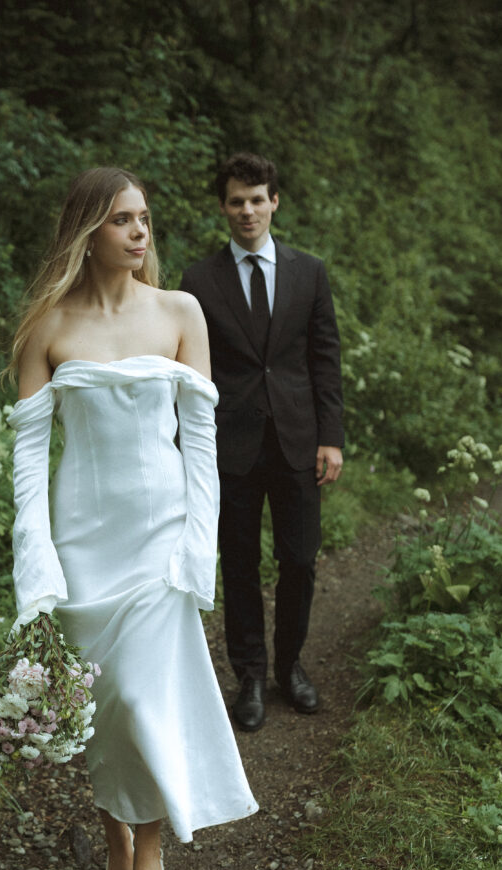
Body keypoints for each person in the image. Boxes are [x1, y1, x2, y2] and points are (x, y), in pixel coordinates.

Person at [4, 167, 257, 870]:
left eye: (144, 217)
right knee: (103, 710)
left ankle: (149, 851)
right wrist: (34, 560)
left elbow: (202, 443)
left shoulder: (181, 313)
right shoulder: (46, 325)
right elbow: (27, 458)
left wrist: (198, 543)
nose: (140, 232)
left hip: (159, 536)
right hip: (83, 544)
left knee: (145, 699)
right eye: (122, 219)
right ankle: (114, 828)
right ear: (88, 230)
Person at [180, 152, 344, 732]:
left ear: (274, 201)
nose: (247, 211)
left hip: (299, 440)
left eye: (257, 199)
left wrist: (332, 437)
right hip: (231, 445)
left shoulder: (309, 272)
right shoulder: (199, 281)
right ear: (223, 208)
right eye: (235, 201)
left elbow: (325, 359)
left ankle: (290, 666)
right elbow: (191, 371)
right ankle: (249, 675)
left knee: (298, 559)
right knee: (241, 563)